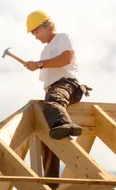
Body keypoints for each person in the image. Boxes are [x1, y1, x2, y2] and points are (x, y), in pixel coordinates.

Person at [23, 10, 92, 189]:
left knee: (53, 104)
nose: (35, 37)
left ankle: (66, 125)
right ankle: (51, 182)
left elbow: (66, 58)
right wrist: (37, 64)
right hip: (52, 89)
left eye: (36, 32)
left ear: (46, 25)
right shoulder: (45, 51)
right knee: (49, 135)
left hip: (66, 84)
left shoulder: (62, 38)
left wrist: (38, 64)